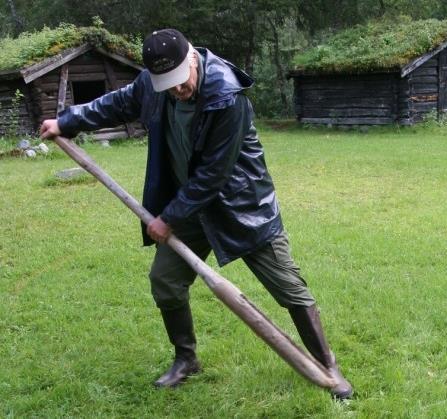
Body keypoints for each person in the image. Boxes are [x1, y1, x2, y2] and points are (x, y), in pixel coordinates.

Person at [40, 28, 352, 400]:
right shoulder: (152, 86)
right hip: (186, 208)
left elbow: (212, 176)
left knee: (290, 289)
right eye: (166, 84)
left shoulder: (227, 97)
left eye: (179, 81)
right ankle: (186, 359)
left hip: (240, 208)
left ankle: (327, 364)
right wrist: (68, 121)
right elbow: (116, 104)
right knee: (166, 283)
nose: (176, 90)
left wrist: (166, 218)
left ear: (192, 58)